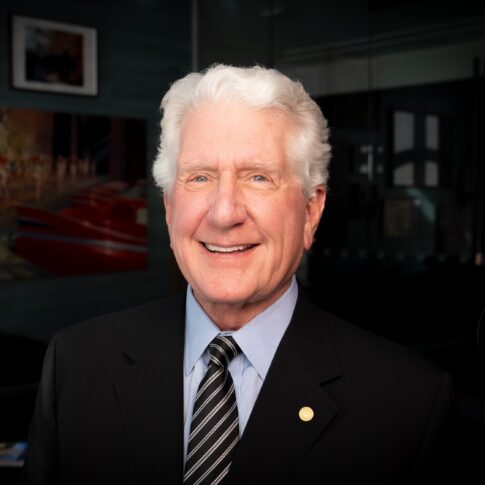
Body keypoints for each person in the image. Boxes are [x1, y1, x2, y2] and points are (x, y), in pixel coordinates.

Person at [21, 64, 457, 485]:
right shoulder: (75, 365)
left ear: (311, 211)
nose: (225, 212)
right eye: (199, 178)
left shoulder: (408, 403)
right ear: (170, 208)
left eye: (258, 177)